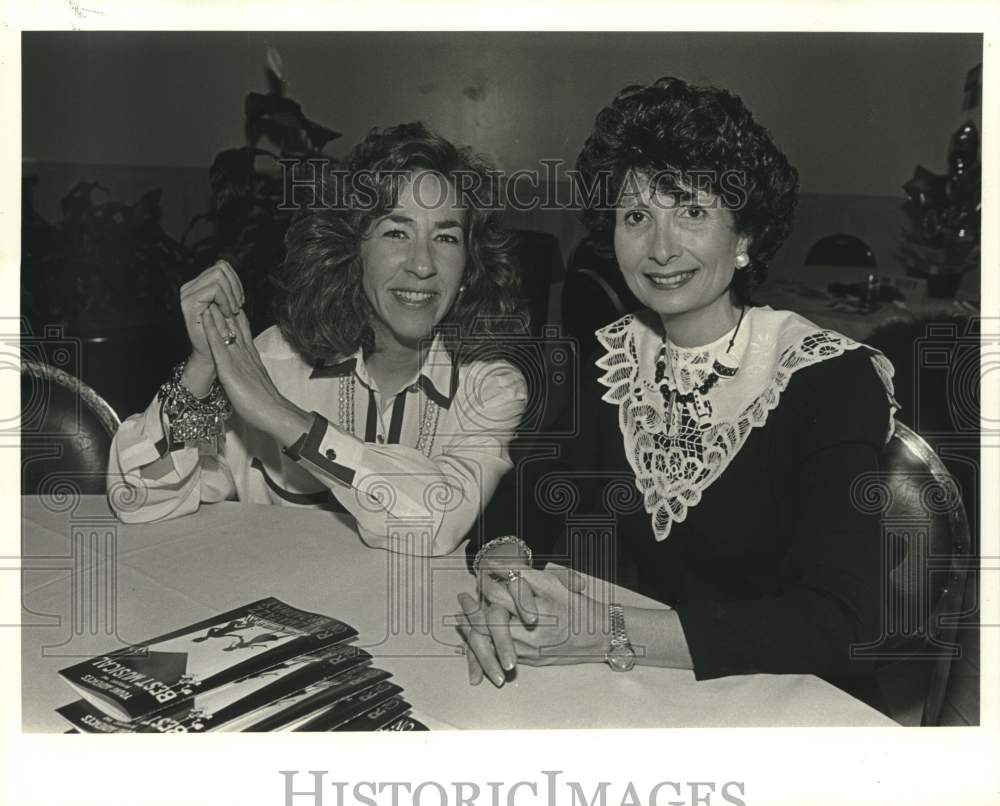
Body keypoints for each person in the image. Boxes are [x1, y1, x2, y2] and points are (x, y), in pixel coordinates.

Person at [458, 77, 898, 702]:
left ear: (743, 238)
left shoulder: (826, 377)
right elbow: (534, 486)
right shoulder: (614, 361)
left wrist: (607, 632)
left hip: (807, 704)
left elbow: (847, 622)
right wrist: (505, 569)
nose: (660, 248)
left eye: (692, 211)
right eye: (637, 216)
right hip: (677, 689)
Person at [108, 122, 528, 556]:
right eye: (396, 232)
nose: (422, 264)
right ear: (352, 250)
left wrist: (280, 416)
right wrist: (202, 364)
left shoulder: (492, 387)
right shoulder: (274, 358)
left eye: (446, 237)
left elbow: (434, 522)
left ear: (469, 269)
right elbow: (140, 501)